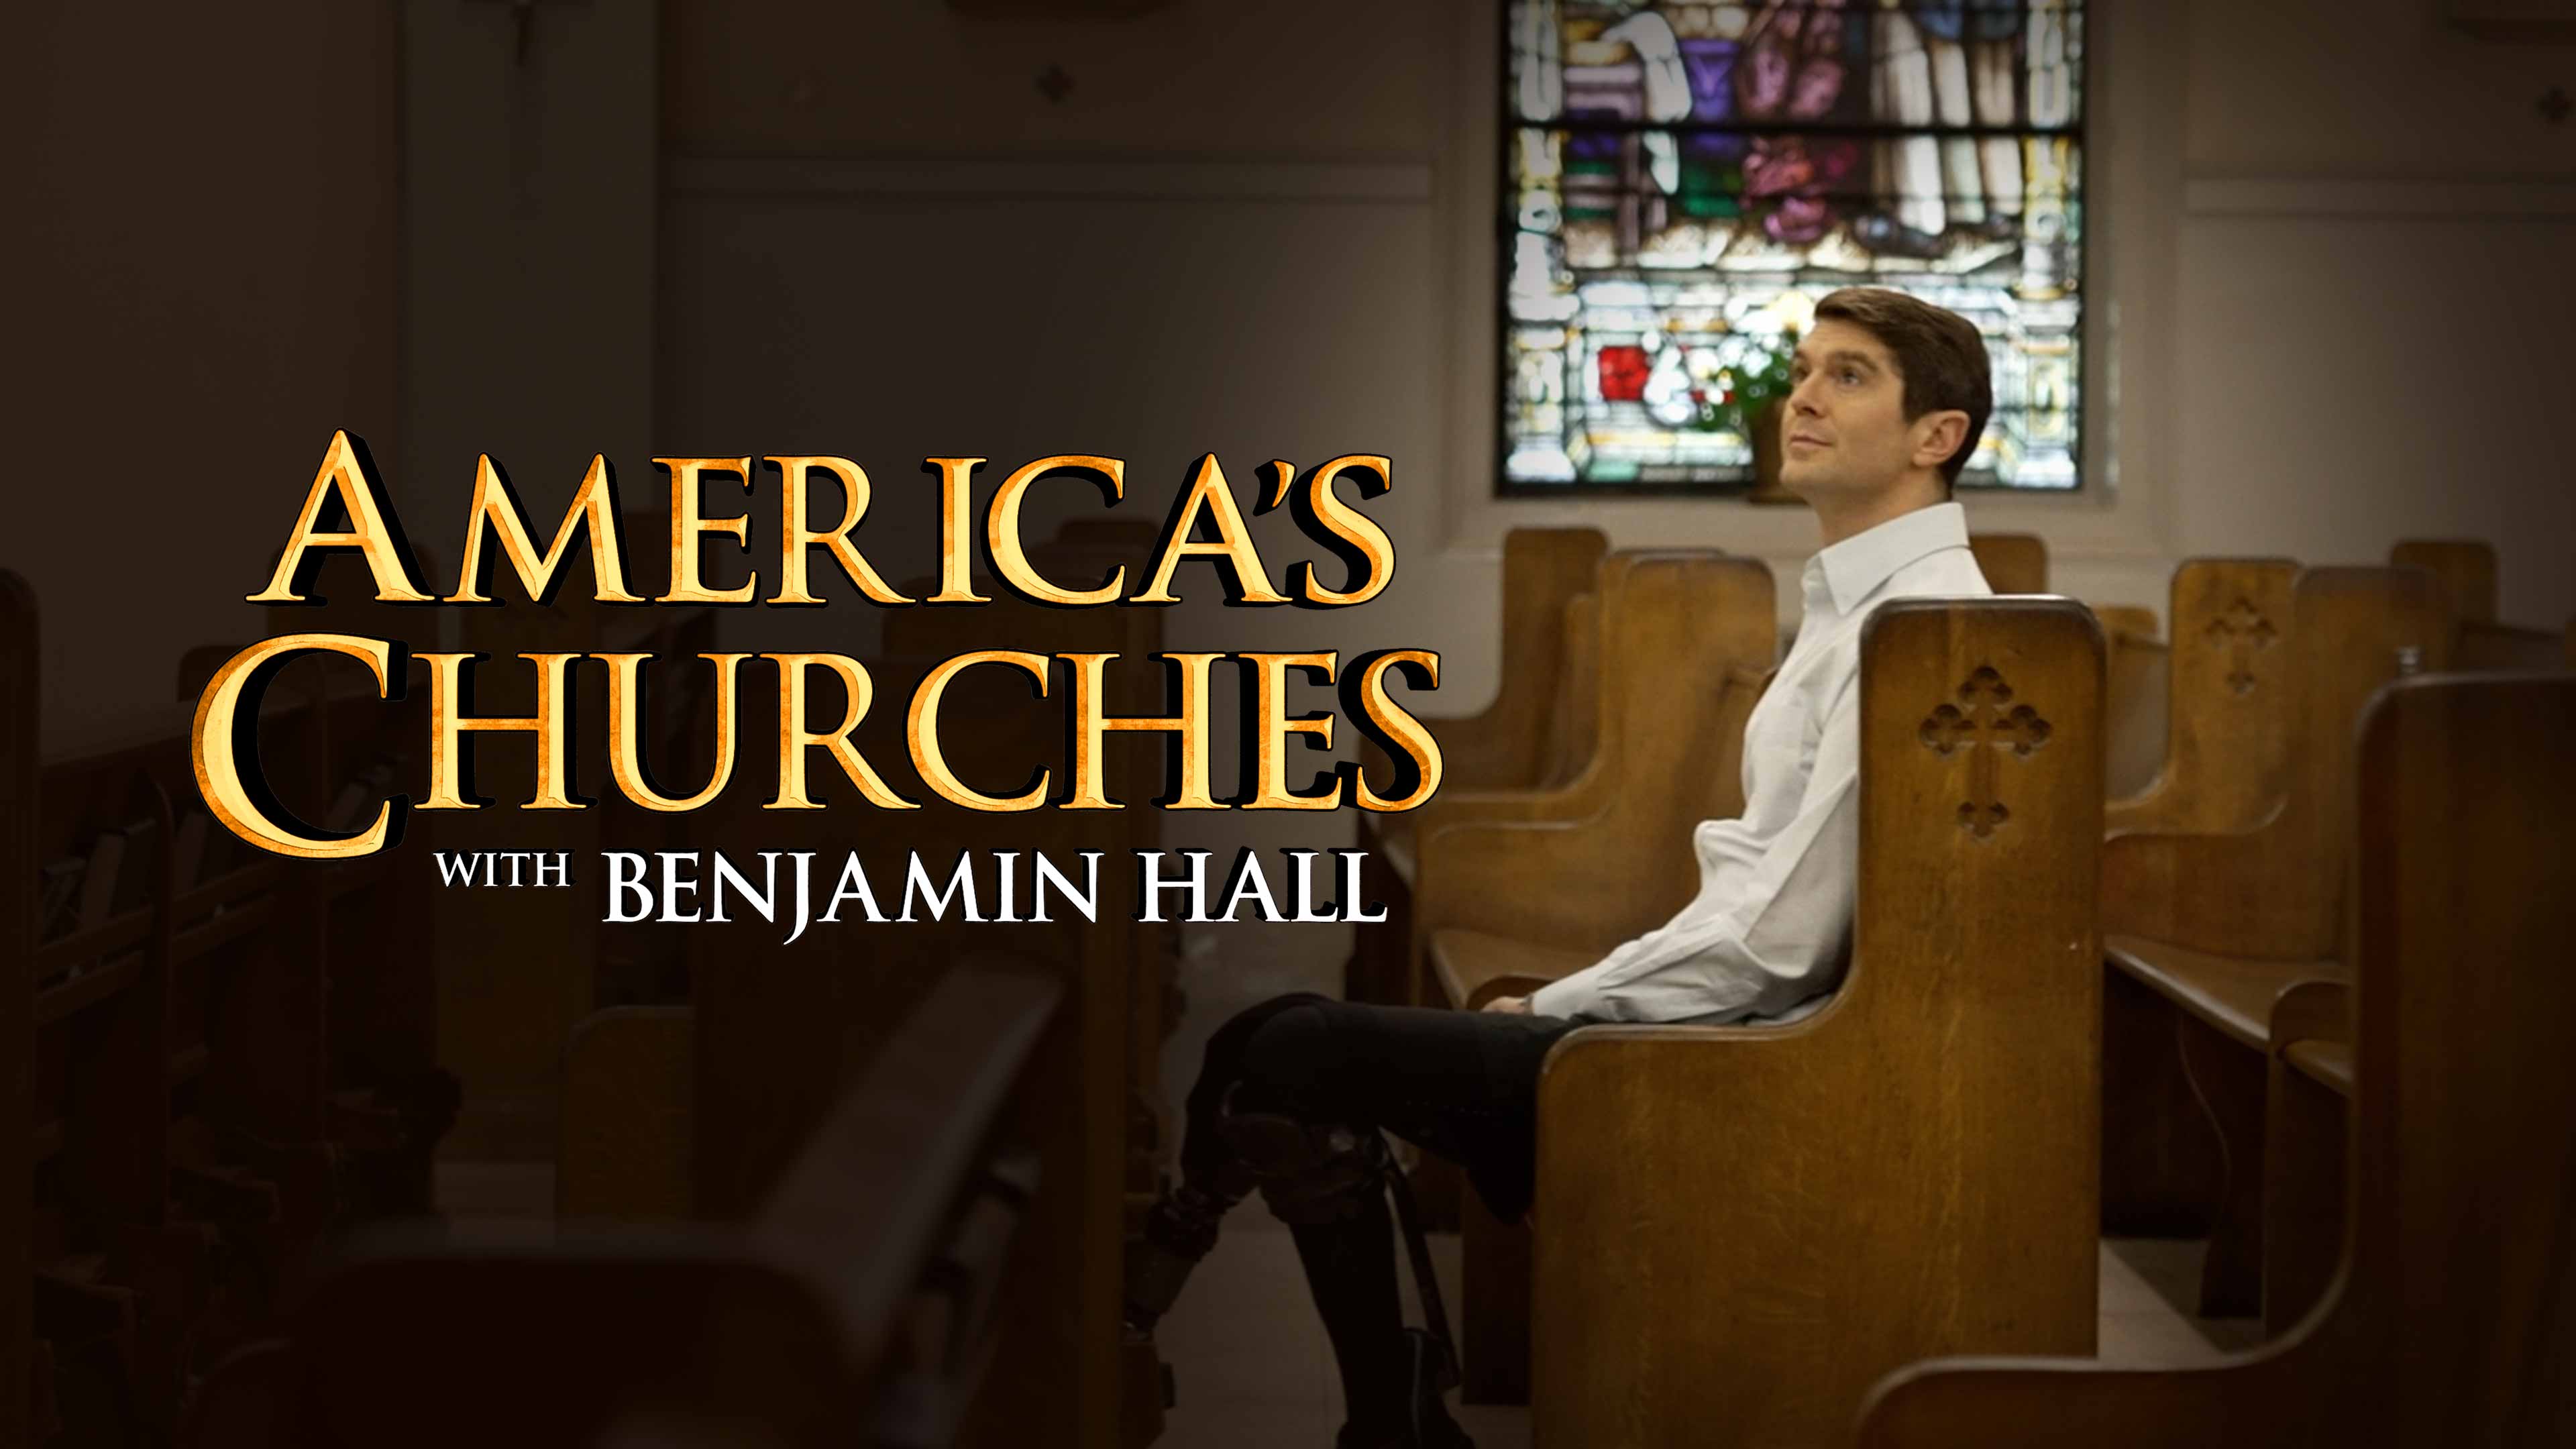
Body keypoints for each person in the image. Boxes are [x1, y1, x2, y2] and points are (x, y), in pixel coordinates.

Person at [1124, 287, 1998, 1449]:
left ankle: (1318, 1379)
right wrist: (1576, 994)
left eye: (1849, 376)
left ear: (1937, 436)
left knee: (1288, 1054)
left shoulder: (1926, 626)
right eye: (1804, 369)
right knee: (1272, 1043)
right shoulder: (1860, 609)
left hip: (1764, 1059)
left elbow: (1776, 941)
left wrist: (1558, 1005)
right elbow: (1751, 894)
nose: (1802, 397)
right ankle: (1358, 1394)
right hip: (1733, 1021)